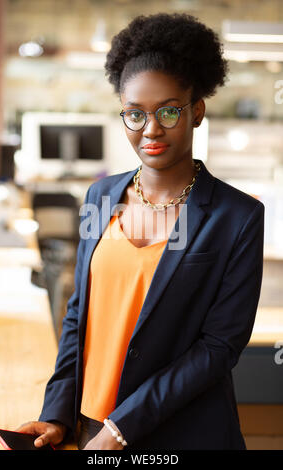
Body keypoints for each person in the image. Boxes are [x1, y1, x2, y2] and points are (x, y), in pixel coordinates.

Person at [17, 13, 264, 450]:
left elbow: (218, 347)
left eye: (168, 111)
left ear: (197, 111)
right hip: (90, 427)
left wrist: (122, 428)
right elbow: (80, 315)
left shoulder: (236, 217)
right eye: (135, 113)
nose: (150, 129)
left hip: (180, 435)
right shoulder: (100, 197)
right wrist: (55, 413)